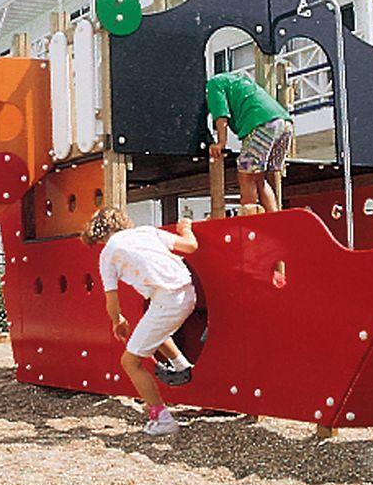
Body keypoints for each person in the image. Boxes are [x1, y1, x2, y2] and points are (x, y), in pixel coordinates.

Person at [81, 207, 199, 436]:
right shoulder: (147, 232)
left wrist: (117, 321)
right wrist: (186, 227)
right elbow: (190, 246)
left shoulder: (108, 253)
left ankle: (161, 418)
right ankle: (181, 365)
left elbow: (111, 301)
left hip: (167, 302)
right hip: (188, 293)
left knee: (130, 362)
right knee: (151, 329)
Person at [207, 71, 294, 215]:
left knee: (245, 173)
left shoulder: (214, 84)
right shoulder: (236, 81)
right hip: (284, 124)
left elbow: (221, 114)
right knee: (259, 176)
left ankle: (250, 214)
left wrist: (221, 143)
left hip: (262, 123)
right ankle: (275, 217)